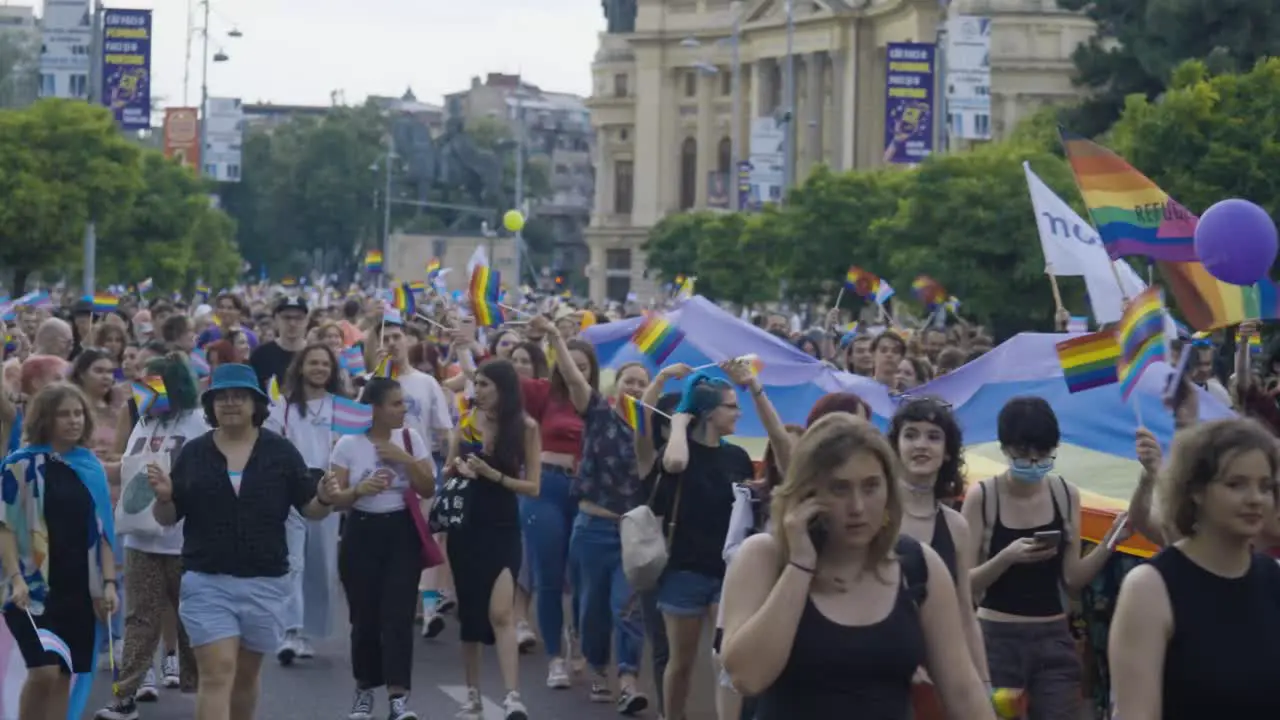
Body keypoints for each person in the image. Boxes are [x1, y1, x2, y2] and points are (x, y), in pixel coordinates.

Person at [720, 412, 996, 719]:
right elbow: (747, 677)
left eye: (871, 487)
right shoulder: (764, 557)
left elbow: (962, 690)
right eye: (839, 488)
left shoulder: (918, 566)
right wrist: (800, 566)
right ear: (808, 493)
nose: (858, 507)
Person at [146, 363, 340, 720]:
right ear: (211, 405)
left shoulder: (280, 452)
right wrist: (163, 497)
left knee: (246, 676)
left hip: (265, 580)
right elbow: (168, 517)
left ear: (256, 404)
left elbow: (310, 510)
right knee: (217, 672)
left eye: (239, 396)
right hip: (206, 579)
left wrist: (325, 498)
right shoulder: (194, 453)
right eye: (222, 397)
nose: (230, 403)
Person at [960, 396, 1131, 720]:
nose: (1034, 463)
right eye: (1023, 455)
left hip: (1053, 637)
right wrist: (1006, 557)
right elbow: (964, 583)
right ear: (1006, 448)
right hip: (997, 640)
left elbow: (1072, 580)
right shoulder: (984, 497)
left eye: (1043, 455)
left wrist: (1110, 542)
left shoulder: (1065, 494)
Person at [1109, 418, 1280, 720]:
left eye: (1265, 487)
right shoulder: (1150, 589)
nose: (1255, 499)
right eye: (1235, 484)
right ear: (1196, 490)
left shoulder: (1272, 579)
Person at [95, 353, 205, 720]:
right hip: (140, 539)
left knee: (194, 622)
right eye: (142, 381)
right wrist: (93, 466)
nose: (143, 387)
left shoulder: (199, 423)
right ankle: (124, 697)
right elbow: (128, 472)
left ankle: (207, 696)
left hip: (184, 540)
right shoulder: (143, 422)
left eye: (152, 381)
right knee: (139, 620)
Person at [0, 383, 119, 720]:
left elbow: (103, 533)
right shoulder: (20, 465)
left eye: (78, 413)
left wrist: (109, 583)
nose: (73, 420)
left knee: (63, 675)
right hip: (31, 587)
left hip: (79, 587)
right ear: (45, 419)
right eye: (63, 414)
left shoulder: (89, 466)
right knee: (43, 671)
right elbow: (5, 525)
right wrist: (14, 577)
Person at [650, 370, 755, 720]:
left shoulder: (738, 457)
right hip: (683, 571)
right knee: (681, 662)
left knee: (727, 658)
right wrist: (679, 423)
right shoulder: (678, 449)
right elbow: (675, 463)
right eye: (731, 407)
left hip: (728, 572)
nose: (738, 413)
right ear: (710, 413)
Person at [330, 377, 436, 720]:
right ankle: (364, 690)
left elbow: (428, 487)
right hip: (361, 532)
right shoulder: (348, 444)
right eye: (395, 404)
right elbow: (335, 500)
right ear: (374, 408)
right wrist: (361, 489)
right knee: (365, 617)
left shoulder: (409, 437)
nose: (402, 409)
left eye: (403, 403)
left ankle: (398, 696)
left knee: (398, 616)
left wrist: (404, 458)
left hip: (401, 530)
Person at [442, 359, 538, 720]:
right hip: (466, 525)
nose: (477, 391)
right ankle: (473, 696)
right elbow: (448, 467)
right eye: (476, 384)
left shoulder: (526, 427)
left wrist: (493, 475)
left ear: (503, 389)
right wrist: (458, 469)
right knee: (470, 613)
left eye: (484, 385)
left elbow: (534, 485)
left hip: (502, 525)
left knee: (501, 611)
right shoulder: (466, 422)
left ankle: (513, 696)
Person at [520, 321, 599, 688]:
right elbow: (494, 380)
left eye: (582, 367)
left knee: (583, 577)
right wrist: (465, 344)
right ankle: (555, 658)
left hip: (585, 494)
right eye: (569, 364)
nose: (573, 371)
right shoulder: (543, 395)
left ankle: (578, 636)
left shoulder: (596, 403)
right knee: (549, 577)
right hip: (546, 489)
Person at [265, 344, 347, 665]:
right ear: (300, 367)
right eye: (312, 362)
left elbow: (350, 447)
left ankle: (308, 631)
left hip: (327, 491)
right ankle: (290, 632)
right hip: (291, 492)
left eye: (325, 364)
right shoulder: (282, 407)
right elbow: (270, 447)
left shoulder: (341, 408)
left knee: (321, 564)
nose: (318, 368)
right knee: (293, 562)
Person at [249, 296, 309, 393]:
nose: (292, 323)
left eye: (298, 318)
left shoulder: (315, 353)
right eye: (286, 317)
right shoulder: (260, 355)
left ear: (306, 321)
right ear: (276, 320)